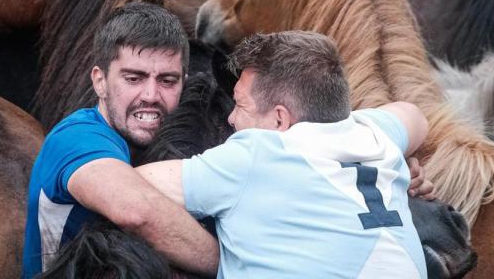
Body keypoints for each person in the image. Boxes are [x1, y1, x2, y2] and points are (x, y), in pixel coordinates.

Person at [137, 30, 434, 279]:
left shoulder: (256, 155)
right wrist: (397, 160)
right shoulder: (373, 135)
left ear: (280, 120)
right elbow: (415, 115)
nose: (231, 119)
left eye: (240, 105)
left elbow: (128, 187)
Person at [20, 3, 218, 279]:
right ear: (100, 81)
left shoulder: (167, 141)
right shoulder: (76, 137)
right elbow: (136, 211)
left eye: (167, 81)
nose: (151, 95)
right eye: (133, 78)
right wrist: (230, 266)